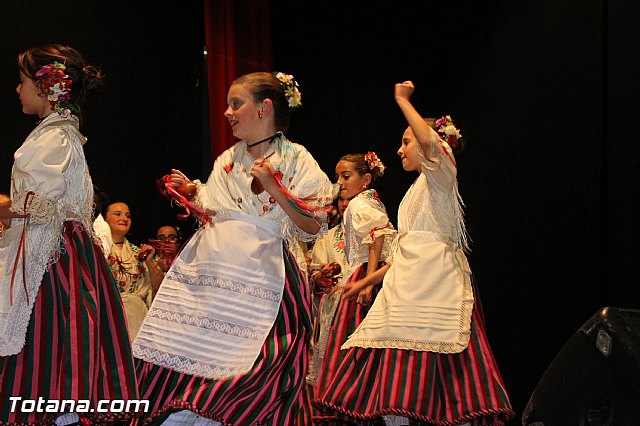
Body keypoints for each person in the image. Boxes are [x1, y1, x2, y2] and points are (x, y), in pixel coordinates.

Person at [132, 71, 335, 425]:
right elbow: (215, 212)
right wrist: (194, 194)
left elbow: (314, 225)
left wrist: (275, 187)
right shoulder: (227, 158)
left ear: (264, 108)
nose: (227, 112)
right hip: (213, 276)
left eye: (236, 103)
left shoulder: (296, 158)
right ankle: (183, 410)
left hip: (264, 274)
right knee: (191, 351)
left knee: (256, 362)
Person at [316, 81, 515, 426]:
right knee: (395, 378)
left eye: (406, 141)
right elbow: (405, 253)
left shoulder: (441, 176)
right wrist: (367, 280)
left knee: (443, 374)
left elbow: (428, 143)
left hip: (435, 286)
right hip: (405, 288)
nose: (400, 149)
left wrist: (402, 101)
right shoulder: (417, 189)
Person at [0, 44, 138, 425]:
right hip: (56, 251)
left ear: (47, 89)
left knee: (50, 347)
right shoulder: (58, 133)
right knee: (52, 349)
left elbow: (40, 204)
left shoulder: (56, 136)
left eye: (22, 81)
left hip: (54, 257)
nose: (17, 89)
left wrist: (3, 207)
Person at [311, 153, 396, 423]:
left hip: (366, 272)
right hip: (374, 273)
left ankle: (356, 403)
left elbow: (377, 238)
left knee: (354, 343)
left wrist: (367, 283)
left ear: (366, 179)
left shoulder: (360, 204)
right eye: (338, 177)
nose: (340, 183)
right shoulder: (370, 201)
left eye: (346, 177)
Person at [103, 201, 164, 341]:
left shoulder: (139, 253)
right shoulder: (97, 251)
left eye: (128, 216)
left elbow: (160, 288)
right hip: (108, 313)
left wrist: (149, 261)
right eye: (117, 214)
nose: (124, 218)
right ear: (104, 219)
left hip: (136, 316)